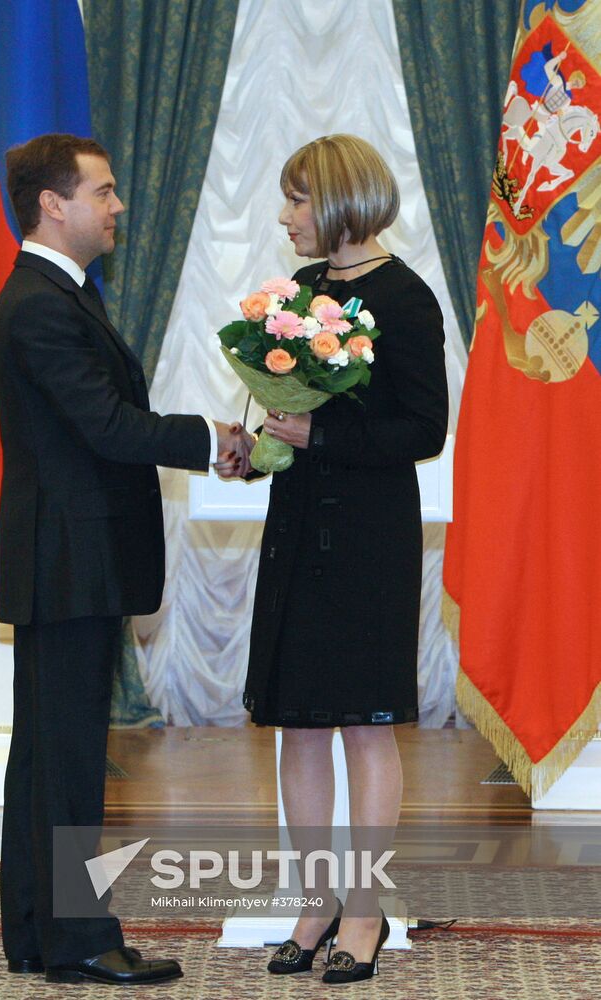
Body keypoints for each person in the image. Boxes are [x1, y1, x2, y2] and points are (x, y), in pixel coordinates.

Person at [0, 132, 250, 986]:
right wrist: (211, 438)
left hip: (67, 558)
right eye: (102, 191)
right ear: (52, 205)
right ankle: (78, 942)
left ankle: (36, 931)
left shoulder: (57, 294)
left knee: (46, 755)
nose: (118, 205)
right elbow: (108, 427)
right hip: (70, 561)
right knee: (63, 761)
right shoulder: (38, 303)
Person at [219, 134, 448, 984]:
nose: (285, 218)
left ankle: (364, 909)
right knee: (300, 721)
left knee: (362, 722)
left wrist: (324, 433)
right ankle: (314, 903)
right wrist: (257, 449)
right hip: (296, 526)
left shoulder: (406, 297)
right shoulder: (301, 294)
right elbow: (278, 403)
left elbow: (424, 431)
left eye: (298, 200)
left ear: (345, 202)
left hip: (368, 536)